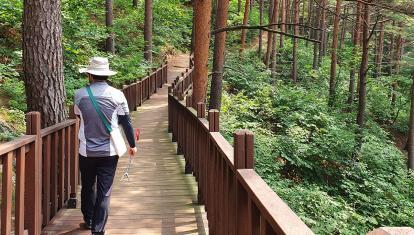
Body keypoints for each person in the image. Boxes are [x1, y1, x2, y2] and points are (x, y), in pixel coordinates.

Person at [74, 57, 137, 235]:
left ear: (89, 74)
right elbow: (126, 122)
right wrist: (132, 144)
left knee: (87, 185)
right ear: (107, 75)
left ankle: (89, 219)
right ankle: (98, 229)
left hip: (86, 151)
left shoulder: (79, 94)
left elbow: (79, 115)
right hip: (109, 151)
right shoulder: (118, 95)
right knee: (105, 190)